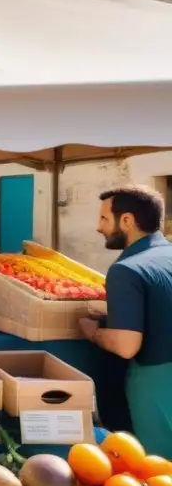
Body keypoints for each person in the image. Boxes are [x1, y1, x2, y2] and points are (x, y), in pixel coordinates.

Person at [79, 185, 172, 456]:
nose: (99, 227)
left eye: (104, 219)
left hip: (157, 380)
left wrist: (92, 332)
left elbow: (126, 345)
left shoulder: (126, 270)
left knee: (160, 470)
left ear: (128, 221)